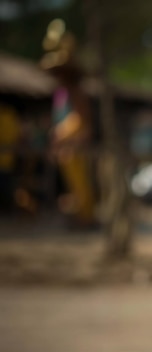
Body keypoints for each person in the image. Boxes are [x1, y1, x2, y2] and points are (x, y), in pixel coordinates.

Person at [40, 19, 97, 229]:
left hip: (76, 144)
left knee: (82, 185)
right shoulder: (61, 93)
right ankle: (80, 216)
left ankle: (86, 218)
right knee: (72, 186)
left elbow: (81, 120)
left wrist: (61, 133)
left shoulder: (76, 91)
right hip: (66, 145)